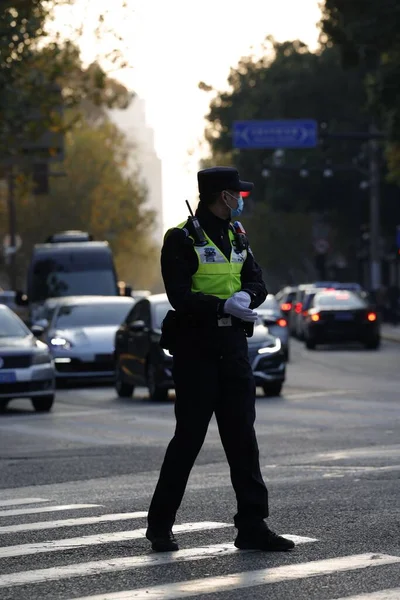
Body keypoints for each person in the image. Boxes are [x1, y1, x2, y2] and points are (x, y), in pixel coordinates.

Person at [146, 167, 294, 553]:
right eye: (236, 193)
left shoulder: (237, 234)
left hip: (232, 347)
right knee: (188, 440)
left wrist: (247, 297)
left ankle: (252, 527)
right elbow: (178, 294)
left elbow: (257, 280)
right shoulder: (180, 237)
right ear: (221, 195)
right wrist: (220, 306)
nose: (241, 199)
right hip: (196, 350)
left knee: (243, 440)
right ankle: (160, 526)